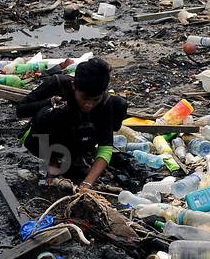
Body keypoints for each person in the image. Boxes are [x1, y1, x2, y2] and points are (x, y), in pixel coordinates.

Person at [16, 57, 127, 187]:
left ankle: (75, 158)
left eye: (95, 100)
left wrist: (87, 183)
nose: (89, 105)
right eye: (84, 98)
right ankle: (53, 163)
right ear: (74, 86)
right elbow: (20, 110)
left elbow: (105, 147)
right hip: (38, 139)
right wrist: (50, 102)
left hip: (77, 139)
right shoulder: (58, 84)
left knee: (118, 104)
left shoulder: (105, 102)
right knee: (56, 112)